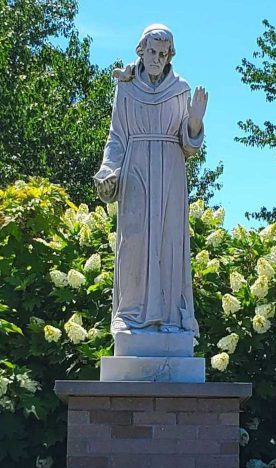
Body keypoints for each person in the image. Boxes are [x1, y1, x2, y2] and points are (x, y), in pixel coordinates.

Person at [94, 23, 208, 336]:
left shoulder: (180, 88)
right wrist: (108, 170)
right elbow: (116, 135)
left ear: (169, 55)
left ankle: (170, 317)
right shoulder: (126, 88)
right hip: (136, 170)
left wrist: (195, 123)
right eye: (151, 52)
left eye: (162, 53)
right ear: (141, 52)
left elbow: (188, 146)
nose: (156, 58)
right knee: (133, 240)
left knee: (169, 243)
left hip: (170, 171)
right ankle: (128, 315)